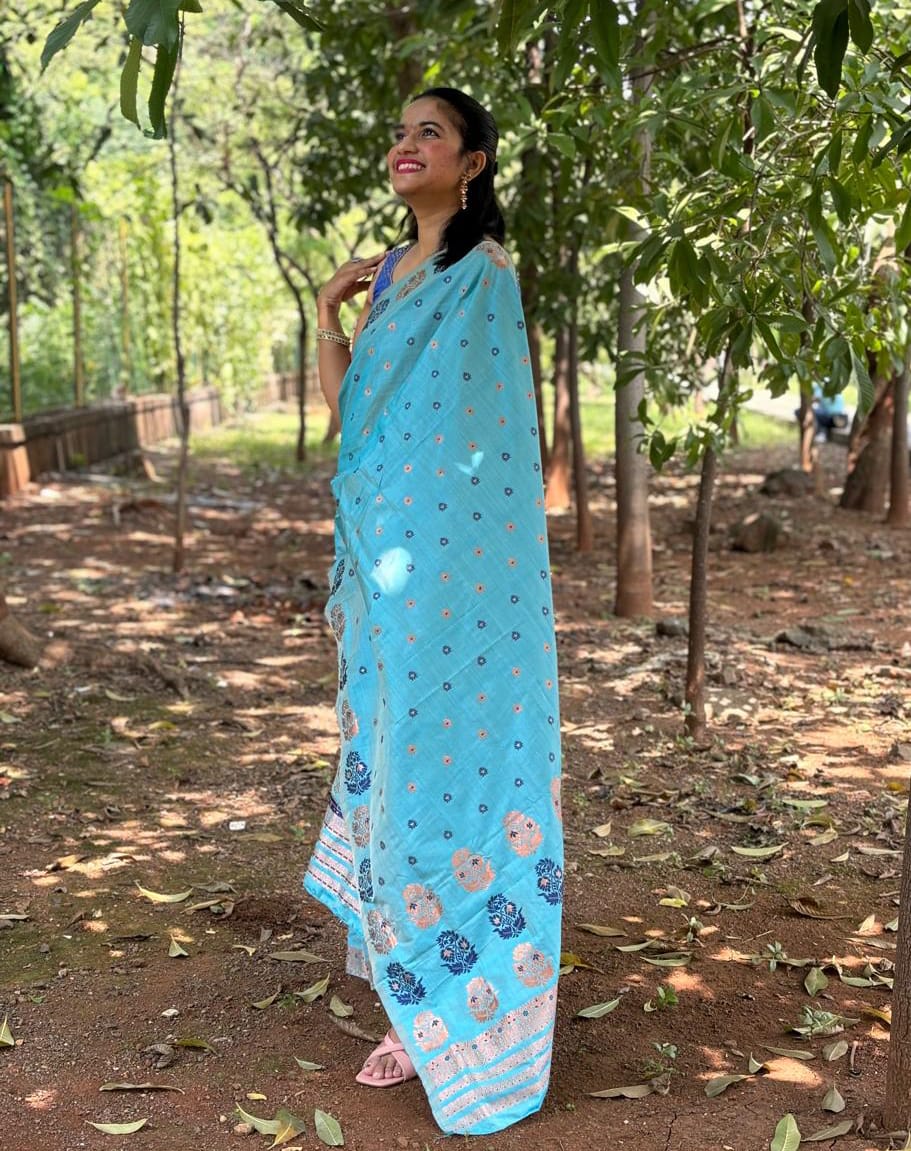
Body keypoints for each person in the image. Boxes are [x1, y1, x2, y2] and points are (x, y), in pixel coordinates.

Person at [304, 87, 563, 1136]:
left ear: (474, 163)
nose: (406, 145)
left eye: (431, 133)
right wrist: (326, 315)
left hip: (455, 585)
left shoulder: (480, 277)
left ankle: (460, 1010)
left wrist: (441, 574)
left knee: (446, 762)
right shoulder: (389, 277)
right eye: (401, 131)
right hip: (383, 569)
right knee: (393, 759)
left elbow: (480, 447)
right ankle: (406, 992)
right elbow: (355, 417)